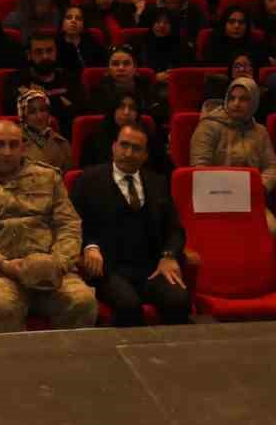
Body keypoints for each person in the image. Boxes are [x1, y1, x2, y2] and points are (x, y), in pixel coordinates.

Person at [0, 120, 98, 334]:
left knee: (82, 301)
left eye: (13, 144)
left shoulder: (48, 176)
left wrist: (58, 263)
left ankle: (67, 364)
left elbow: (69, 224)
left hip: (53, 271)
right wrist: (3, 265)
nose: (7, 152)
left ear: (23, 147)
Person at [72, 124, 190, 327]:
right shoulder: (88, 180)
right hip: (108, 269)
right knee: (128, 305)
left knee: (179, 300)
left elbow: (175, 229)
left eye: (136, 148)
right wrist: (89, 246)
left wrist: (169, 256)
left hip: (151, 268)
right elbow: (72, 224)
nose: (128, 153)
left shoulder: (157, 183)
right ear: (113, 147)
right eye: (123, 145)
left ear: (145, 155)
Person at [190, 78, 276, 229]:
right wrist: (230, 191)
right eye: (232, 98)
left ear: (254, 103)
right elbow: (199, 168)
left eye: (243, 99)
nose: (236, 103)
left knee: (271, 228)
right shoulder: (208, 126)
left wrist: (260, 188)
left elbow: (272, 166)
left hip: (251, 199)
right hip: (214, 199)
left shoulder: (260, 131)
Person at [16, 85, 72, 171]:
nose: (39, 116)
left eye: (43, 110)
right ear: (23, 116)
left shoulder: (62, 143)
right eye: (32, 112)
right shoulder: (14, 143)